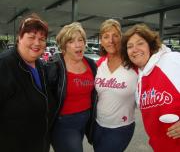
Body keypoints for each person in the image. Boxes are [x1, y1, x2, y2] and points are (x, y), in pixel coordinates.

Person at [0, 13, 58, 152]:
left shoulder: (39, 65)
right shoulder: (5, 64)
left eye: (42, 39)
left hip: (39, 144)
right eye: (31, 37)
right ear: (19, 38)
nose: (37, 43)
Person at [121, 23, 180, 152]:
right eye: (129, 46)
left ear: (150, 45)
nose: (134, 49)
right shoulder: (139, 80)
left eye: (140, 43)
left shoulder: (172, 60)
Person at [46, 22, 97, 152]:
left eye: (81, 40)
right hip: (64, 124)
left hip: (85, 121)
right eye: (71, 41)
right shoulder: (55, 66)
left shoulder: (90, 63)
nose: (78, 44)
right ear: (64, 46)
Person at [93, 19, 138, 152]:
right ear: (101, 41)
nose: (110, 40)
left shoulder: (134, 64)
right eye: (106, 37)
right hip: (98, 125)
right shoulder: (98, 64)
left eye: (115, 36)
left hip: (121, 127)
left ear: (121, 38)